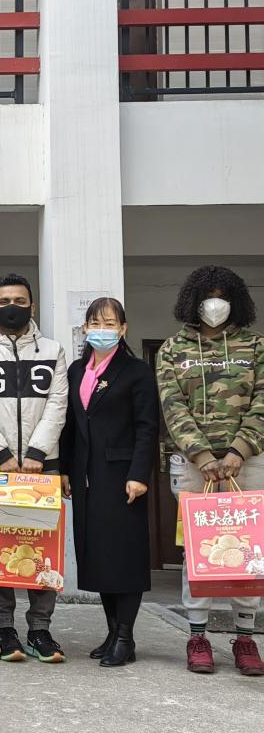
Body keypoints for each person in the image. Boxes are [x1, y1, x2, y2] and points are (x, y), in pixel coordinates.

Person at [157, 265, 264, 677]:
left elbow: (262, 401)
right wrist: (202, 456)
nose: (215, 304)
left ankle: (245, 638)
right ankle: (197, 635)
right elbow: (172, 406)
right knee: (199, 549)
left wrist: (239, 450)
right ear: (193, 301)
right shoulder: (172, 349)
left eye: (223, 296)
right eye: (207, 297)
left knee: (248, 548)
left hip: (248, 462)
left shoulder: (256, 345)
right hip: (193, 465)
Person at [0, 273, 68, 663]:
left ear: (31, 306)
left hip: (42, 469)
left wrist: (38, 452)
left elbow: (58, 404)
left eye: (20, 301)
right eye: (4, 301)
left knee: (43, 548)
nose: (12, 307)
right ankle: (5, 628)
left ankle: (40, 629)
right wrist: (1, 453)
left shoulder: (53, 350)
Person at [59, 298, 158, 668]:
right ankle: (113, 631)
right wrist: (64, 469)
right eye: (95, 323)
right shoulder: (76, 370)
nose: (102, 329)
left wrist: (139, 474)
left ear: (123, 328)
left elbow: (148, 427)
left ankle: (125, 636)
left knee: (124, 555)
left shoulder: (136, 371)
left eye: (110, 323)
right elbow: (70, 425)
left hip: (122, 476)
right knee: (98, 555)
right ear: (85, 328)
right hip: (86, 476)